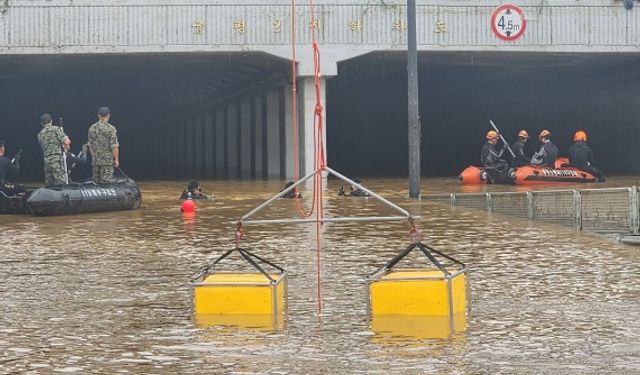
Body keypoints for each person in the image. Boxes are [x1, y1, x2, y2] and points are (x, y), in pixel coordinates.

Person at [88, 106, 119, 184]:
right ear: (108, 115)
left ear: (98, 116)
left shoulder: (92, 128)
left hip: (96, 161)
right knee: (106, 185)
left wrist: (94, 157)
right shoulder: (111, 129)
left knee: (96, 185)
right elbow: (114, 146)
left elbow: (90, 145)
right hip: (107, 162)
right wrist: (116, 159)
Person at [37, 113, 71, 186]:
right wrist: (66, 143)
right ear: (51, 121)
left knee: (50, 184)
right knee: (60, 183)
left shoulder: (40, 134)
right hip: (56, 160)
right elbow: (67, 141)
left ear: (42, 123)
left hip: (46, 161)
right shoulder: (56, 129)